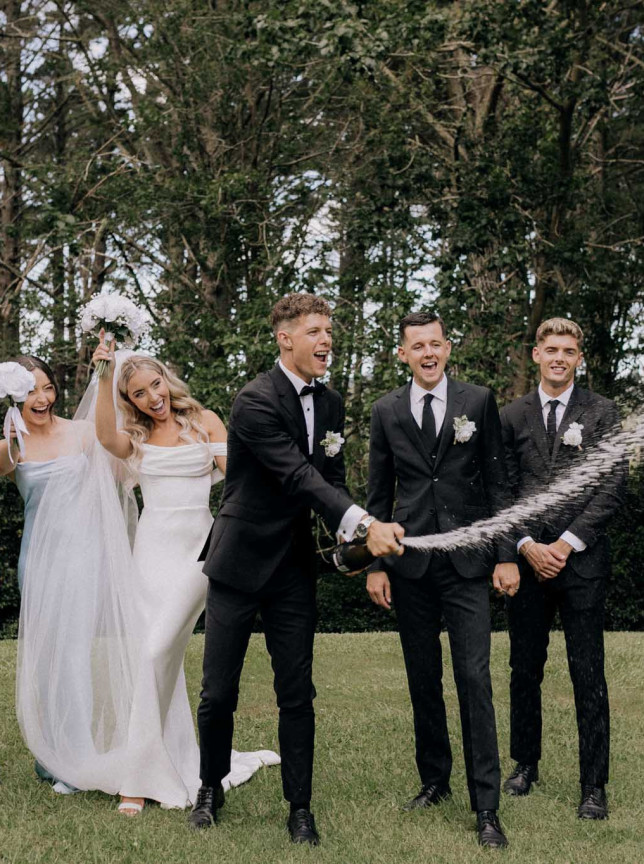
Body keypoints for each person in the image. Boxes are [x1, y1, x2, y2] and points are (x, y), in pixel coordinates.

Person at [190, 292, 403, 844]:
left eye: (329, 331)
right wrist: (364, 521)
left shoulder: (331, 403)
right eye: (314, 331)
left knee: (297, 692)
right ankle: (209, 787)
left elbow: (329, 479)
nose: (326, 340)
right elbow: (295, 476)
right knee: (218, 691)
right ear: (285, 339)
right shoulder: (253, 400)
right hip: (238, 561)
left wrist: (351, 537)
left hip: (292, 567)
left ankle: (300, 807)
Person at [91, 336, 279, 814]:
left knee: (155, 650)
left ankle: (136, 781)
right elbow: (105, 438)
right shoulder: (134, 438)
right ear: (129, 400)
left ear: (166, 380)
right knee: (154, 659)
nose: (152, 397)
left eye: (155, 385)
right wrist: (103, 374)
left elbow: (236, 478)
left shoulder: (204, 421)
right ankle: (161, 756)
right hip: (150, 554)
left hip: (200, 551)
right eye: (138, 393)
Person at [365, 311, 519, 849]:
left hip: (468, 563)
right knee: (422, 677)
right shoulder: (385, 410)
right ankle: (435, 780)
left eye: (435, 344)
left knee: (474, 679)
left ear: (448, 348)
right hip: (409, 565)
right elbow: (378, 493)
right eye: (417, 346)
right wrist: (377, 565)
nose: (427, 353)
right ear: (402, 354)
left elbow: (498, 482)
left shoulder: (478, 401)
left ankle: (487, 806)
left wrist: (506, 556)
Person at [500, 317, 625, 819]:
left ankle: (593, 784)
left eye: (568, 351)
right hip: (528, 562)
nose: (559, 358)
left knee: (587, 672)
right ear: (536, 354)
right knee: (523, 668)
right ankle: (524, 764)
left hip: (582, 563)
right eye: (551, 349)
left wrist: (566, 544)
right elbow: (503, 490)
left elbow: (612, 485)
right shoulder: (511, 415)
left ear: (579, 358)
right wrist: (527, 545)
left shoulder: (602, 412)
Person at [1, 355, 140, 797]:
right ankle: (53, 753)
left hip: (83, 557)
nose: (42, 398)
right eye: (30, 391)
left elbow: (122, 473)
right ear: (13, 397)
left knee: (73, 654)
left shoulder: (82, 433)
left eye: (47, 387)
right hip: (38, 561)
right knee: (47, 658)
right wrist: (9, 432)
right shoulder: (11, 446)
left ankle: (78, 761)